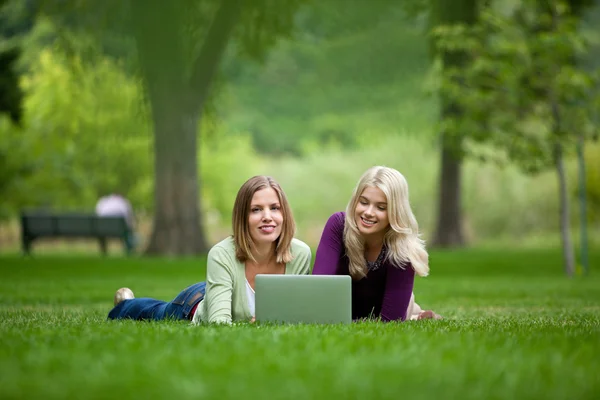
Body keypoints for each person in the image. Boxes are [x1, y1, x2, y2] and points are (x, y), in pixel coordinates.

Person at [108, 176, 312, 324]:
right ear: (242, 217)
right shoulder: (221, 254)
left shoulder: (300, 254)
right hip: (196, 302)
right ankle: (126, 303)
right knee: (159, 312)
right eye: (256, 209)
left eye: (274, 208)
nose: (267, 216)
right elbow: (219, 324)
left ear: (284, 213)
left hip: (222, 285)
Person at [312, 166, 441, 322]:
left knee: (405, 313)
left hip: (392, 308)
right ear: (355, 201)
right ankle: (416, 314)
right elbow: (318, 289)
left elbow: (391, 321)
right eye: (364, 202)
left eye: (381, 207)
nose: (368, 212)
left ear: (395, 211)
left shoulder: (402, 247)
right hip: (355, 311)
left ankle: (415, 313)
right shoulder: (338, 225)